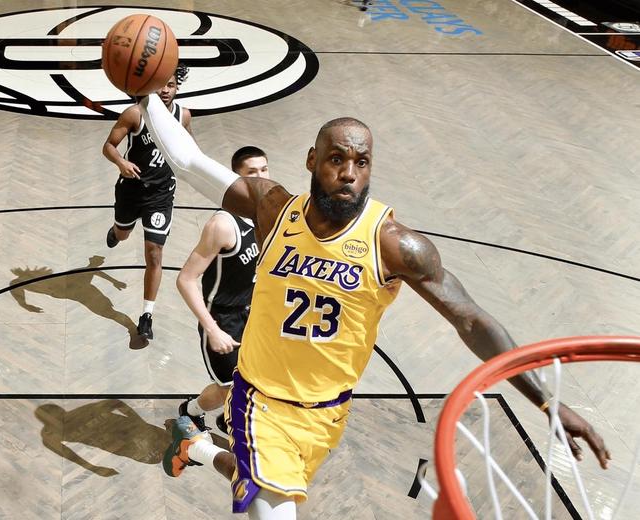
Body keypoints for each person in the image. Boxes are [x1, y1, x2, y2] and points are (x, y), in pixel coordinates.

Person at [139, 94, 611, 519]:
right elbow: (189, 161)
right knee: (270, 504)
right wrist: (146, 95)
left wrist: (547, 400)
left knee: (260, 483)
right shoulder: (274, 209)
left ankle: (195, 446)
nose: (349, 173)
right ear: (312, 160)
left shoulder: (395, 245)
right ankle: (202, 445)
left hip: (327, 411)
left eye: (361, 162)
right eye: (337, 159)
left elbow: (470, 319)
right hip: (259, 400)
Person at [176, 147, 270, 432]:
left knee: (257, 379)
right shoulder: (222, 225)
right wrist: (213, 330)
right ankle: (190, 410)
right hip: (222, 318)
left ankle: (228, 417)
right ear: (236, 179)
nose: (260, 176)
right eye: (251, 172)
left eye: (264, 169)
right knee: (226, 388)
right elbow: (186, 279)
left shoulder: (267, 215)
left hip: (252, 313)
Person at [102, 64, 193, 340]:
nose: (165, 90)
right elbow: (108, 146)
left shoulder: (183, 115)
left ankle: (146, 315)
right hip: (131, 189)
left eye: (171, 85)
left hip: (161, 195)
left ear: (177, 87)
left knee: (154, 253)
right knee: (123, 234)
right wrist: (121, 162)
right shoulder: (135, 114)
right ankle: (116, 232)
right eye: (161, 85)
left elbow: (190, 148)